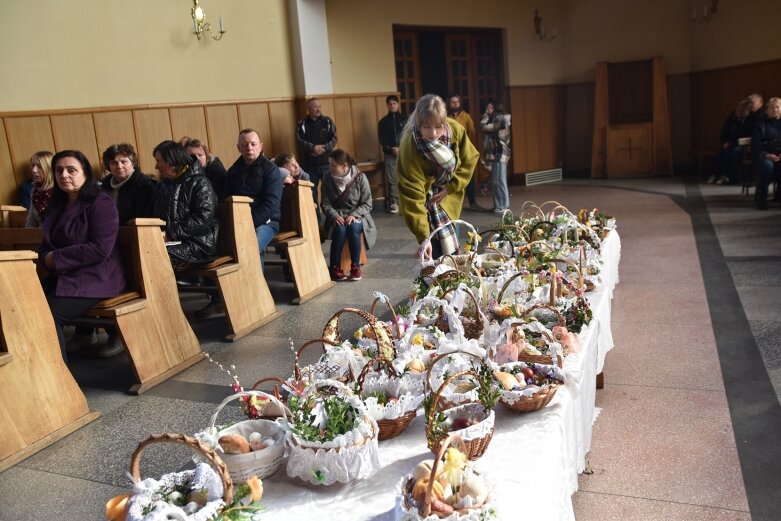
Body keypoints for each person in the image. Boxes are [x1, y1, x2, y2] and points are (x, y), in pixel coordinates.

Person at [39, 150, 126, 360]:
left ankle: (60, 380)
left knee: (47, 316)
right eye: (59, 170)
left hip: (96, 277)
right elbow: (46, 244)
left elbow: (100, 248)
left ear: (85, 173)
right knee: (19, 306)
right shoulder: (57, 205)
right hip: (66, 275)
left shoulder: (101, 203)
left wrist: (56, 258)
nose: (64, 175)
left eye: (71, 170)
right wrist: (47, 258)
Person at [397, 93, 480, 261]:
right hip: (424, 203)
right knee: (432, 255)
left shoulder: (455, 129)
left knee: (450, 248)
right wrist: (423, 237)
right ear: (418, 123)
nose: (433, 133)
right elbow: (412, 193)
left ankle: (451, 277)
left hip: (450, 198)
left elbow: (470, 158)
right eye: (426, 127)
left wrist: (450, 187)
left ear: (445, 121)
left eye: (438, 126)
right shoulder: (410, 146)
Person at [147, 140, 219, 270]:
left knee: (155, 257)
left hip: (197, 245)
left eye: (159, 161)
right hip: (170, 242)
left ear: (172, 162)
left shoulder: (200, 183)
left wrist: (170, 234)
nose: (156, 167)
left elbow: (202, 218)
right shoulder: (163, 186)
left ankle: (166, 290)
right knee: (138, 254)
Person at [321, 149, 376, 281]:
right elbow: (325, 203)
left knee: (353, 228)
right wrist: (334, 216)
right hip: (337, 215)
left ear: (345, 166)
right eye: (330, 164)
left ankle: (355, 267)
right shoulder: (327, 178)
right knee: (339, 229)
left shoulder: (360, 177)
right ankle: (334, 268)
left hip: (357, 215)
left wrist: (355, 215)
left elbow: (367, 204)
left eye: (333, 165)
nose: (330, 168)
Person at [99, 143, 156, 224]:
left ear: (133, 163)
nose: (119, 166)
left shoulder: (146, 185)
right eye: (114, 163)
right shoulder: (102, 186)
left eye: (124, 162)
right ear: (108, 166)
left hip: (135, 232)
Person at [296, 97, 337, 201]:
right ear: (308, 109)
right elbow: (299, 141)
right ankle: (316, 217)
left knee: (329, 192)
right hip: (309, 166)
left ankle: (331, 217)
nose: (318, 109)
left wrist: (323, 148)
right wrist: (313, 148)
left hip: (326, 164)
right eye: (315, 107)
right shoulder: (302, 124)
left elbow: (334, 138)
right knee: (311, 194)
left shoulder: (328, 121)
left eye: (319, 106)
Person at [447, 94, 482, 211]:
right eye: (453, 102)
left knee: (468, 175)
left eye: (457, 102)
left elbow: (472, 132)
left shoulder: (466, 116)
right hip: (450, 151)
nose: (455, 104)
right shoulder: (446, 117)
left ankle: (472, 202)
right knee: (452, 176)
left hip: (464, 150)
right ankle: (455, 203)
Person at [708, 100, 751, 185]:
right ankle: (715, 174)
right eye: (738, 109)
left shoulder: (748, 121)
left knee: (733, 152)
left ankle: (727, 175)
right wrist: (724, 141)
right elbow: (723, 131)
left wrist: (731, 143)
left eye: (742, 110)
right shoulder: (731, 118)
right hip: (728, 142)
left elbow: (745, 135)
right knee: (721, 152)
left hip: (741, 145)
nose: (739, 112)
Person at [480, 101, 512, 212]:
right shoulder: (502, 119)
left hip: (498, 153)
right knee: (498, 180)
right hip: (498, 153)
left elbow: (484, 127)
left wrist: (486, 114)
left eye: (490, 108)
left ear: (493, 108)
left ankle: (502, 206)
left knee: (498, 181)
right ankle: (502, 205)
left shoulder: (500, 120)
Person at [378, 94, 407, 214]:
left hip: (404, 153)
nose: (392, 105)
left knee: (405, 177)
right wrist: (392, 149)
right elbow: (382, 139)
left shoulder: (405, 119)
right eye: (390, 104)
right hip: (390, 155)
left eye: (394, 103)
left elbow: (408, 135)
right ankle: (394, 202)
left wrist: (401, 148)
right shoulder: (383, 122)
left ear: (398, 104)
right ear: (387, 106)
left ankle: (406, 202)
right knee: (392, 179)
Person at [751, 97, 781, 210]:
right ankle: (761, 197)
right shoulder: (760, 123)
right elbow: (756, 144)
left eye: (777, 107)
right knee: (767, 166)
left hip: (779, 155)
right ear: (767, 110)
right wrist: (767, 155)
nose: (774, 110)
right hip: (764, 155)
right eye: (771, 108)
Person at [24, 151, 55, 228]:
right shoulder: (35, 191)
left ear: (49, 168)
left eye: (39, 166)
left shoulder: (61, 191)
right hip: (39, 237)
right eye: (32, 166)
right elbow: (31, 223)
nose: (34, 170)